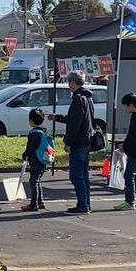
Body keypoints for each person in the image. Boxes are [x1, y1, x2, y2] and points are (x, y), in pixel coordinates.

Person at [46, 71, 96, 214]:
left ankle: (82, 205)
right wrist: (58, 118)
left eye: (69, 82)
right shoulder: (88, 97)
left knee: (76, 175)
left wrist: (68, 142)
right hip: (87, 140)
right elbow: (76, 118)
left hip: (79, 142)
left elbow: (75, 123)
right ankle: (86, 203)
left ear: (73, 82)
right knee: (83, 174)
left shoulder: (78, 99)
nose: (68, 85)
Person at [20, 108, 49, 212]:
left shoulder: (34, 133)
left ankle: (34, 204)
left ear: (31, 121)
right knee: (37, 180)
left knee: (33, 182)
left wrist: (25, 155)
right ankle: (40, 202)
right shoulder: (43, 132)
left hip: (36, 161)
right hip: (43, 160)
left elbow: (30, 148)